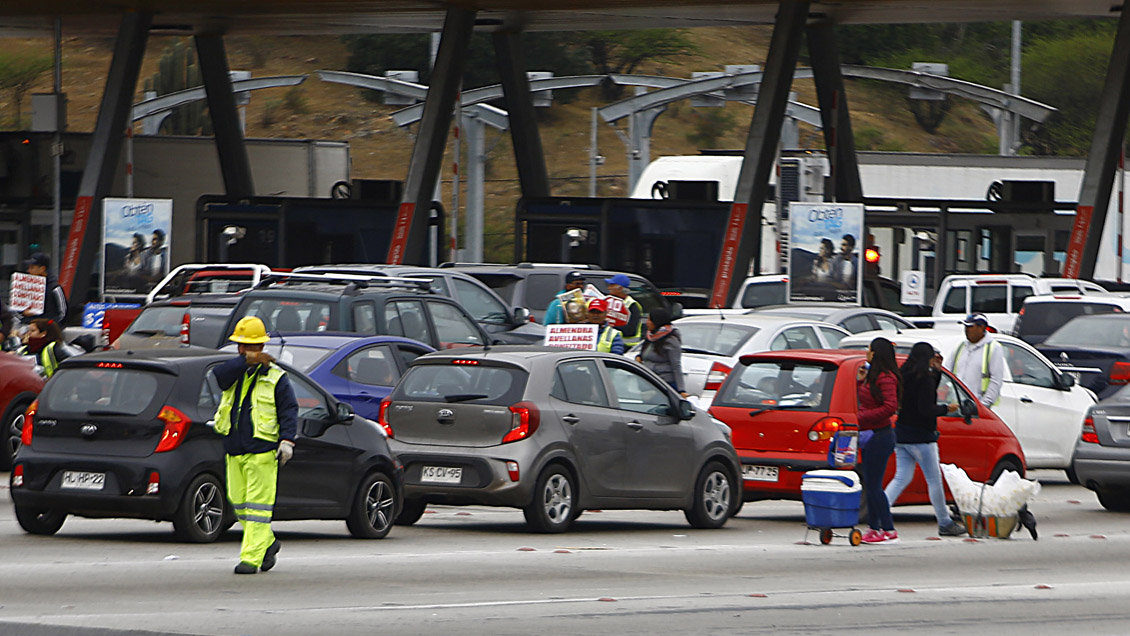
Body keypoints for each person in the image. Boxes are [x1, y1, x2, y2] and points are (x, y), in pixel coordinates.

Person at [211, 316, 298, 575]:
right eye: (242, 346)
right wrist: (245, 361)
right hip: (235, 449)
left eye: (251, 346)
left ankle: (251, 557)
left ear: (261, 346)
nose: (246, 350)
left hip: (262, 450)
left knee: (258, 508)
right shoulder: (234, 371)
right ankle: (268, 543)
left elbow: (289, 410)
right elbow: (218, 376)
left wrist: (287, 441)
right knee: (238, 502)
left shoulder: (276, 377)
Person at [884, 342, 966, 537]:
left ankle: (880, 513)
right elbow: (927, 409)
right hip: (922, 437)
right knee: (934, 480)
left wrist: (936, 373)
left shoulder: (906, 375)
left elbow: (923, 398)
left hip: (902, 434)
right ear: (927, 358)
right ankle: (945, 522)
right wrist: (947, 409)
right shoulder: (924, 379)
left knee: (901, 477)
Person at [857, 336, 901, 545]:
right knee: (870, 483)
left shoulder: (886, 377)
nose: (867, 352)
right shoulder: (872, 376)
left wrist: (864, 417)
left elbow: (890, 406)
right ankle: (874, 528)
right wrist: (860, 380)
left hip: (880, 435)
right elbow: (866, 400)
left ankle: (888, 528)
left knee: (875, 485)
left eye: (869, 349)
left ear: (877, 353)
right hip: (868, 435)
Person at [949, 313, 1005, 407]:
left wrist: (984, 405)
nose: (966, 330)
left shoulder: (993, 348)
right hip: (957, 405)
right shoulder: (961, 347)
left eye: (970, 327)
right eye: (965, 326)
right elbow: (948, 371)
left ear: (981, 327)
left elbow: (996, 380)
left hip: (977, 406)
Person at [636, 307, 688, 397]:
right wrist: (639, 357)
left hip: (664, 383)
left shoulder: (671, 340)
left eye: (649, 320)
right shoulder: (650, 336)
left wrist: (681, 390)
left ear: (656, 321)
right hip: (649, 381)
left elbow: (676, 365)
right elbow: (645, 354)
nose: (647, 322)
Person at [22, 252, 68, 324]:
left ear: (42, 269)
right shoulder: (26, 287)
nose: (28, 271)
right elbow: (17, 311)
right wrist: (24, 313)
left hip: (49, 329)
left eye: (32, 267)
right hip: (28, 328)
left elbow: (63, 313)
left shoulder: (55, 288)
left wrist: (49, 325)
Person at [604, 273, 643, 347]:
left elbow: (631, 331)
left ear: (620, 289)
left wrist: (611, 326)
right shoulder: (607, 301)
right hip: (610, 345)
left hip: (627, 348)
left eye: (612, 285)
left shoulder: (632, 305)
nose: (609, 288)